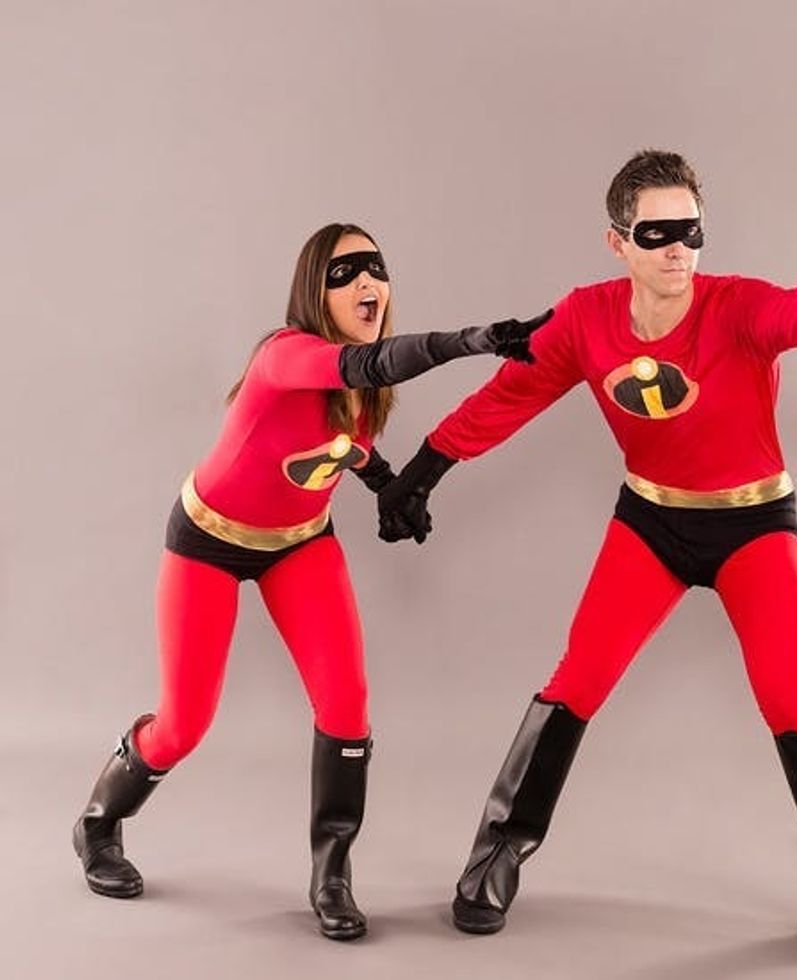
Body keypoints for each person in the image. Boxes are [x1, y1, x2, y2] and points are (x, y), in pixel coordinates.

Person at [376, 152, 797, 962]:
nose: (677, 250)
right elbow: (512, 393)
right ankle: (499, 851)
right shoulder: (585, 318)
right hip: (651, 524)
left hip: (753, 525)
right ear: (618, 241)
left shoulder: (736, 306)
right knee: (577, 680)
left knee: (790, 696)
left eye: (690, 231)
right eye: (656, 233)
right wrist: (425, 469)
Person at [72, 222, 548, 941]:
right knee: (185, 723)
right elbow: (369, 364)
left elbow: (346, 445)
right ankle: (98, 823)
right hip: (208, 541)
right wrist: (470, 341)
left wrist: (389, 486)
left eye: (375, 268)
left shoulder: (360, 391)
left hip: (300, 544)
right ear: (313, 294)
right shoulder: (285, 355)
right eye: (344, 273)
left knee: (347, 706)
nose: (367, 283)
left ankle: (332, 875)